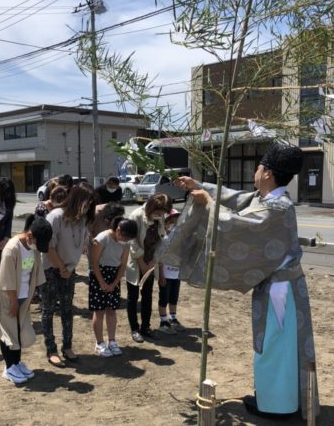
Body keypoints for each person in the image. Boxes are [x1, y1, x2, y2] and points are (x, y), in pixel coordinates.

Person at [166, 142, 319, 420]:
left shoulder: (278, 208)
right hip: (278, 287)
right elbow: (238, 199)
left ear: (269, 173)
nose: (255, 172)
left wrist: (208, 204)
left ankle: (277, 406)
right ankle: (278, 399)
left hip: (280, 291)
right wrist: (198, 185)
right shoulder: (269, 201)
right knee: (275, 344)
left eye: (259, 167)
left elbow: (235, 225)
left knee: (275, 346)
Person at [41, 185, 95, 367]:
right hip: (51, 268)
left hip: (69, 270)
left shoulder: (82, 219)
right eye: (86, 203)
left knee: (67, 309)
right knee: (48, 310)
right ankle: (51, 349)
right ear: (77, 200)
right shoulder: (55, 217)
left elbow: (85, 240)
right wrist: (61, 268)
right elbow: (48, 247)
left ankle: (67, 346)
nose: (88, 207)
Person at [0, 214, 52, 384]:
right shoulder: (12, 249)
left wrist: (33, 295)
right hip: (9, 297)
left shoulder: (33, 249)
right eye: (36, 241)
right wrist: (13, 301)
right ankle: (9, 367)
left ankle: (17, 363)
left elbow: (35, 273)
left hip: (24, 296)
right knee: (8, 331)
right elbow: (7, 279)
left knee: (19, 330)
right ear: (29, 236)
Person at [126, 193, 172, 343]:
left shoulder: (160, 217)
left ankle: (146, 327)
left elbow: (161, 240)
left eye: (163, 214)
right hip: (136, 261)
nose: (160, 216)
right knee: (133, 297)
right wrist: (142, 263)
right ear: (151, 208)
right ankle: (134, 328)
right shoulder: (136, 216)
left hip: (151, 261)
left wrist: (153, 261)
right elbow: (132, 242)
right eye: (158, 213)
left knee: (148, 295)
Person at [90, 217, 138, 357]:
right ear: (118, 230)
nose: (125, 240)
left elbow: (123, 265)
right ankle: (99, 343)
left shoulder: (125, 243)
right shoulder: (103, 238)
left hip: (114, 275)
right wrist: (102, 282)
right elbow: (94, 262)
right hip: (99, 274)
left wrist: (115, 282)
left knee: (112, 310)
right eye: (125, 236)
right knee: (99, 311)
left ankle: (112, 341)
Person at [157, 209, 185, 334]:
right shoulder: (163, 237)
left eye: (177, 218)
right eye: (172, 219)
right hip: (166, 273)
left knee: (174, 297)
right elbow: (159, 257)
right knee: (164, 297)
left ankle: (173, 318)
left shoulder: (180, 236)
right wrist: (161, 274)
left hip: (176, 273)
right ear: (166, 221)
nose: (175, 221)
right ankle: (163, 321)